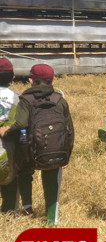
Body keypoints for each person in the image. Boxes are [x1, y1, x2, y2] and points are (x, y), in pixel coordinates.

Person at [0, 64, 74, 225]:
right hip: (55, 150)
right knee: (51, 183)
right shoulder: (59, 100)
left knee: (22, 175)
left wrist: (6, 132)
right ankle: (51, 220)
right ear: (52, 81)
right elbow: (69, 130)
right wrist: (67, 154)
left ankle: (22, 210)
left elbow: (20, 124)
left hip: (29, 151)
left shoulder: (25, 100)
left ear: (30, 80)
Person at [0, 58, 22, 214]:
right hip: (9, 148)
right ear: (13, 77)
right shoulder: (18, 98)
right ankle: (9, 212)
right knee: (11, 181)